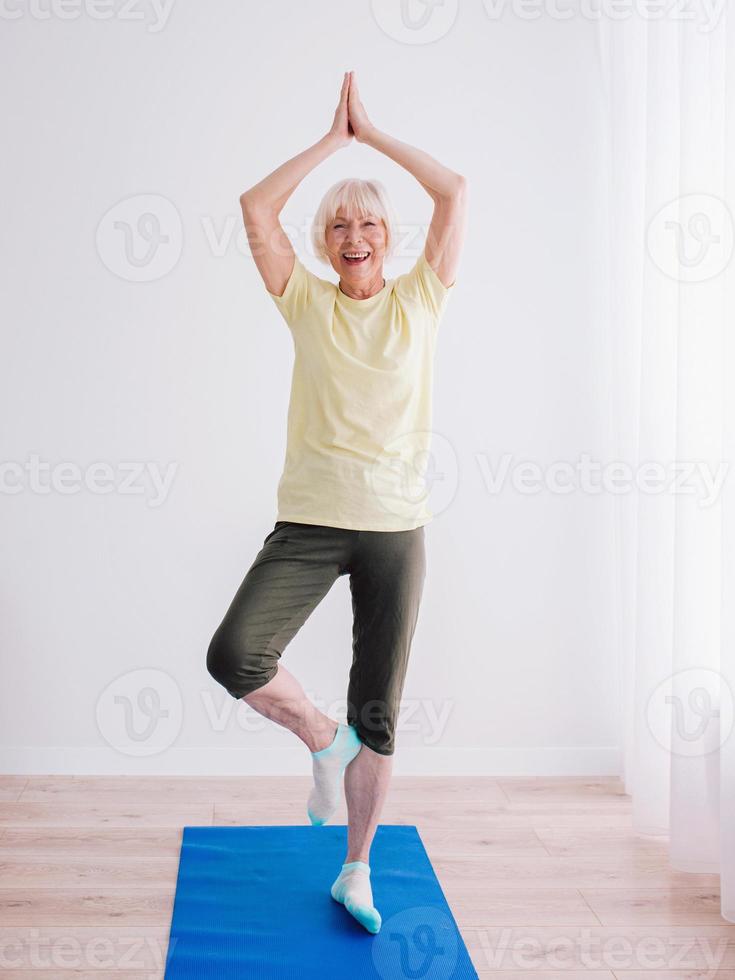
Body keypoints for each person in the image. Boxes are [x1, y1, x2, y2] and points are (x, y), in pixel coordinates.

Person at [207, 70, 467, 934]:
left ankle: (355, 869)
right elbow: (253, 207)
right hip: (312, 521)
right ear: (322, 244)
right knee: (237, 652)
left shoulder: (421, 299)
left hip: (395, 527)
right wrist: (331, 142)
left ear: (390, 238)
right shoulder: (306, 304)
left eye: (368, 223)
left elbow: (453, 189)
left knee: (379, 707)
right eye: (337, 225)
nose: (353, 235)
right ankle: (323, 740)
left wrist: (374, 134)